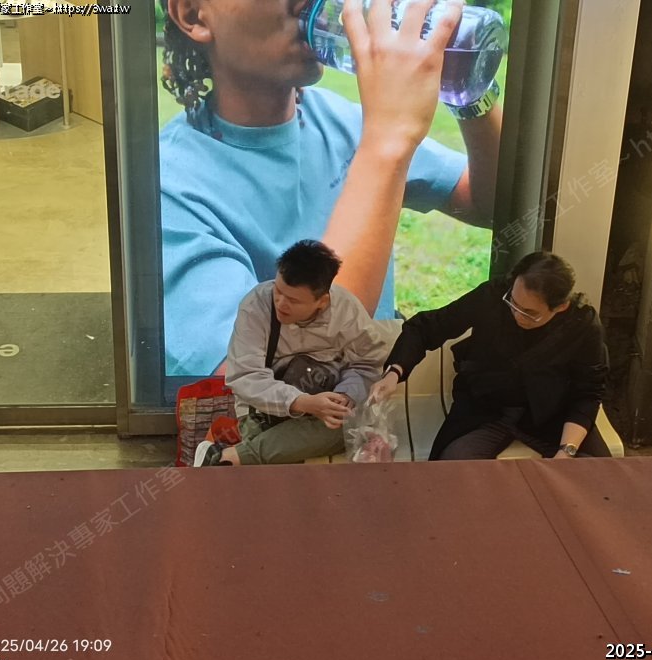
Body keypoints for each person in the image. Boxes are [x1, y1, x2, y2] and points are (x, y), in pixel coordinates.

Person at [159, 0, 502, 376]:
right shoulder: (169, 187)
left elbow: (489, 203)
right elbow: (252, 377)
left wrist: (469, 91)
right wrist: (385, 142)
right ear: (193, 14)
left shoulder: (341, 120)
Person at [369, 252, 609, 460]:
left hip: (551, 415)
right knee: (451, 467)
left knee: (597, 475)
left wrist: (566, 451)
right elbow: (427, 328)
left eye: (529, 313)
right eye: (513, 302)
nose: (517, 315)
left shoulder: (582, 323)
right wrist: (394, 373)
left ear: (560, 307)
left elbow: (588, 392)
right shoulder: (493, 295)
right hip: (486, 407)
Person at [194, 240, 386, 466]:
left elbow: (369, 362)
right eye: (278, 291)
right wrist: (302, 402)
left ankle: (225, 458)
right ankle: (235, 457)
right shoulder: (256, 305)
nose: (281, 303)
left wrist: (344, 397)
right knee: (338, 434)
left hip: (324, 405)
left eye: (293, 300)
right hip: (266, 411)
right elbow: (245, 376)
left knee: (351, 426)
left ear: (322, 301)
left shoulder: (346, 309)